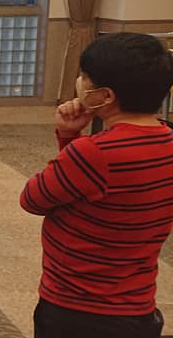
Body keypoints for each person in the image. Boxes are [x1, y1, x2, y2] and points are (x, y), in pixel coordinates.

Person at [20, 33, 173, 338]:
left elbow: (33, 199)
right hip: (138, 305)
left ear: (104, 95)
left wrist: (69, 139)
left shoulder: (94, 152)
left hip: (77, 306)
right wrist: (71, 137)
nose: (80, 82)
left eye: (85, 77)